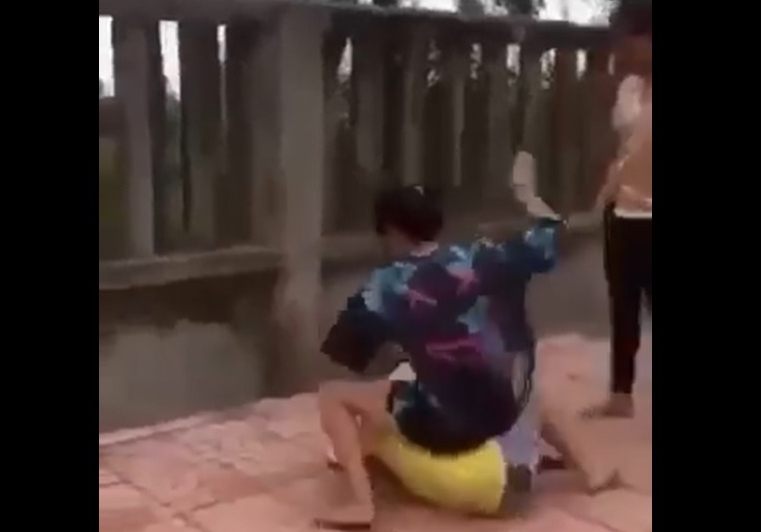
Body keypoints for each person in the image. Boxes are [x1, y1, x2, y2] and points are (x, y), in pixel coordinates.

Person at [313, 183, 617, 529]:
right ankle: (592, 469)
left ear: (393, 231)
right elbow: (548, 240)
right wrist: (534, 203)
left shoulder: (386, 285)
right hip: (520, 466)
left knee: (337, 397)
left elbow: (346, 353)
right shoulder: (483, 254)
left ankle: (360, 505)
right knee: (523, 388)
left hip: (481, 486)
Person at [583, 1, 652, 419]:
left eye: (629, 41)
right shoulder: (627, 90)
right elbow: (621, 150)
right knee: (623, 302)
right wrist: (602, 199)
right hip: (623, 211)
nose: (622, 50)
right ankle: (620, 394)